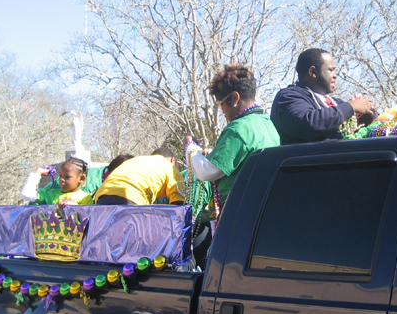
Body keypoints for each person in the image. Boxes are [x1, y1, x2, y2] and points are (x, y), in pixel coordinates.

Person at [184, 64, 280, 208]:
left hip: (240, 210)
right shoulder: (267, 124)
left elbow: (206, 170)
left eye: (222, 104)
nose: (222, 110)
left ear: (235, 98)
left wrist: (190, 148)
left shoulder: (239, 128)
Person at [270, 48, 375, 145]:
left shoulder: (336, 102)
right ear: (313, 72)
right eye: (330, 70)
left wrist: (368, 112)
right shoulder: (288, 97)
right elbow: (308, 123)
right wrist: (351, 107)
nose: (335, 75)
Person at [94, 150, 185, 205]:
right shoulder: (172, 169)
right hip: (130, 197)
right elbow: (178, 206)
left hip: (102, 195)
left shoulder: (140, 161)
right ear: (173, 160)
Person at [21, 157, 93, 206]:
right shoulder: (50, 194)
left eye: (67, 177)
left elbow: (90, 220)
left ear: (82, 178)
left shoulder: (85, 198)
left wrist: (76, 208)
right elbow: (27, 194)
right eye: (60, 176)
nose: (61, 179)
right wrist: (37, 173)